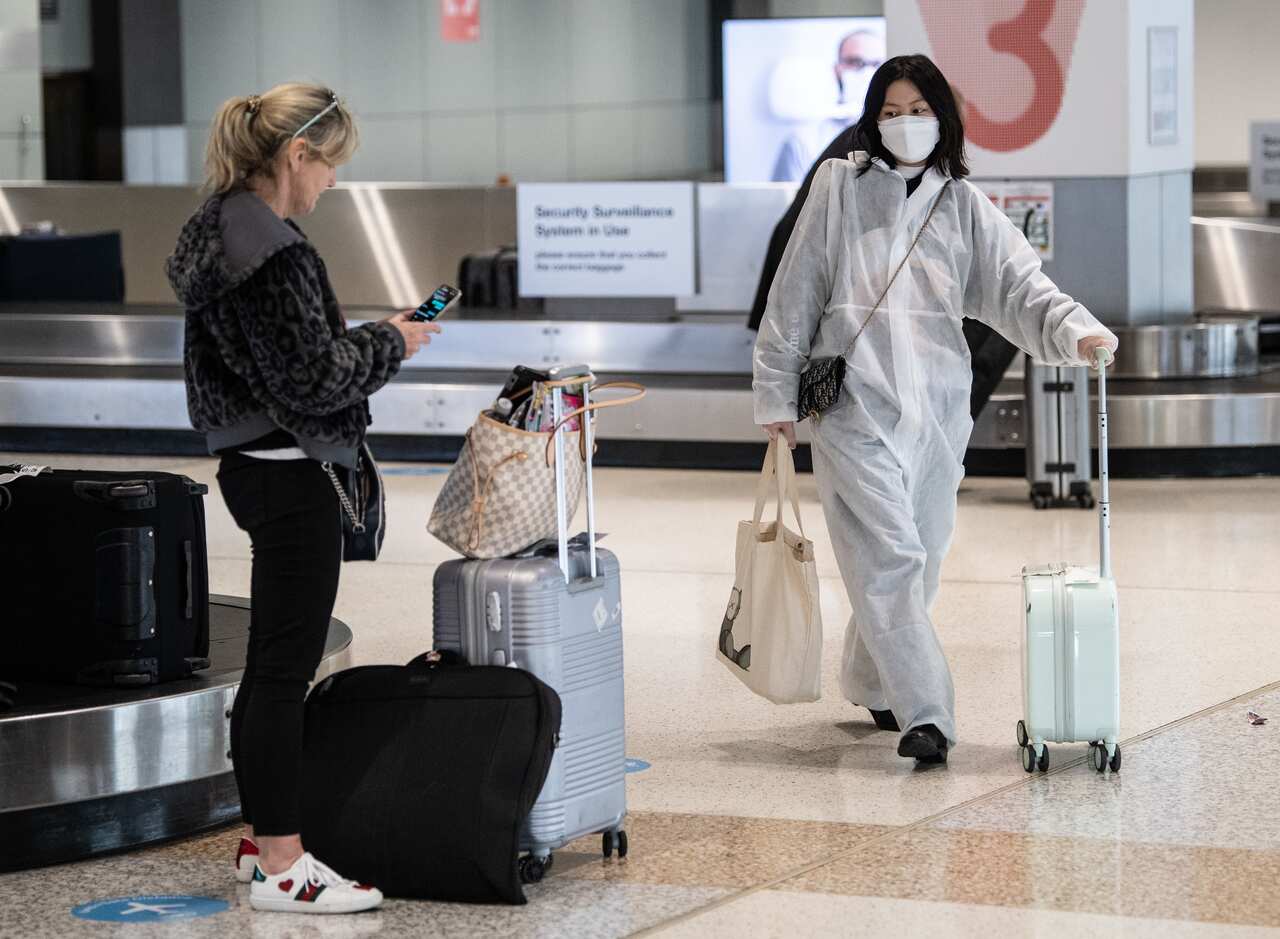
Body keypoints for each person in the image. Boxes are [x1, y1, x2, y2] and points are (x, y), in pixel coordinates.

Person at [753, 56, 1118, 765]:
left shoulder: (963, 206)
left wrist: (1077, 330)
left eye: (917, 109)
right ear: (871, 119)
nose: (902, 123)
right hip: (853, 410)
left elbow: (1020, 289)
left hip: (938, 415)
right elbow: (793, 292)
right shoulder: (839, 188)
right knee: (888, 560)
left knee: (919, 563)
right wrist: (776, 392)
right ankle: (930, 714)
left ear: (942, 117)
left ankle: (868, 676)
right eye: (888, 111)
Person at [166, 83, 438, 914]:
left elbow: (285, 362)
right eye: (329, 167)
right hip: (289, 471)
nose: (330, 186)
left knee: (273, 664)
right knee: (284, 668)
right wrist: (396, 340)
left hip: (253, 461)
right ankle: (285, 863)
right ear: (295, 156)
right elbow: (313, 380)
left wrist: (367, 337)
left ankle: (261, 843)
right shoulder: (274, 250)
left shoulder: (216, 230)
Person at [752, 112, 1020, 425]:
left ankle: (936, 419)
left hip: (822, 270)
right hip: (821, 276)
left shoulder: (882, 146)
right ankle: (938, 418)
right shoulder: (877, 154)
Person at [771, 29, 885, 183]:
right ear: (837, 69)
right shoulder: (803, 142)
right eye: (855, 62)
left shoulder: (898, 135)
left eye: (877, 64)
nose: (866, 72)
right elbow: (791, 203)